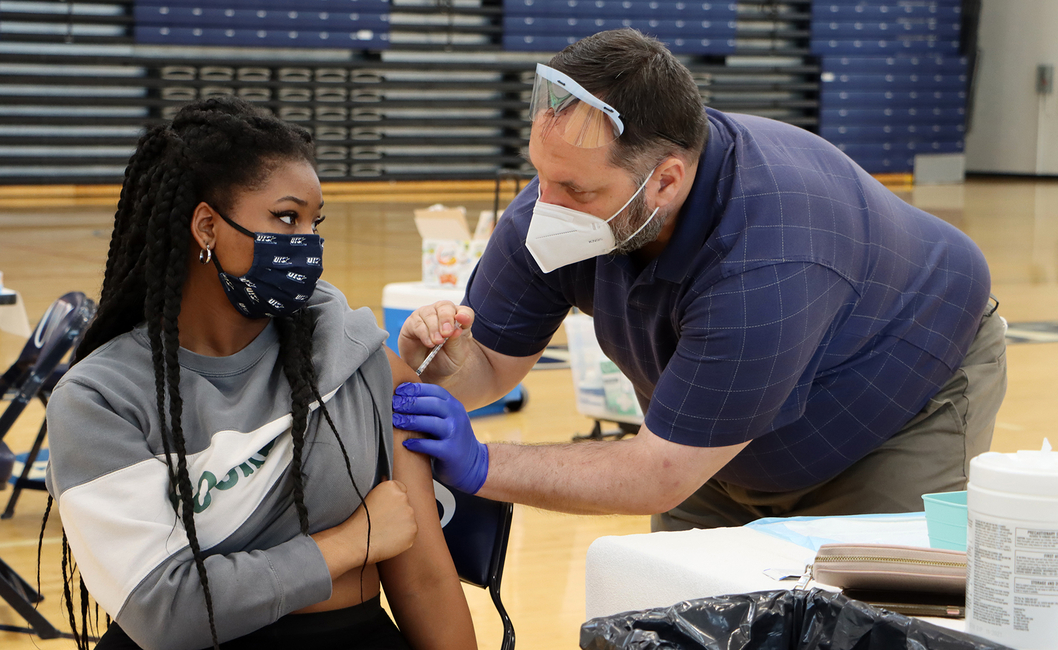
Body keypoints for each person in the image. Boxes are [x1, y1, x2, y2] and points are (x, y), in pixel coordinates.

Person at [392, 29, 1007, 531]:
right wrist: (446, 364)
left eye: (575, 189)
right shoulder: (565, 206)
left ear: (665, 180)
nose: (542, 205)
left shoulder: (766, 262)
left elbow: (659, 473)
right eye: (541, 175)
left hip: (899, 397)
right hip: (705, 453)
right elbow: (491, 370)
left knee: (867, 620)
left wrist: (480, 464)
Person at [43, 97, 476, 650]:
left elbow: (424, 580)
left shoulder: (352, 356)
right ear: (206, 226)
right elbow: (164, 609)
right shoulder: (99, 399)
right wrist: (348, 544)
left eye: (314, 222)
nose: (307, 244)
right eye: (286, 217)